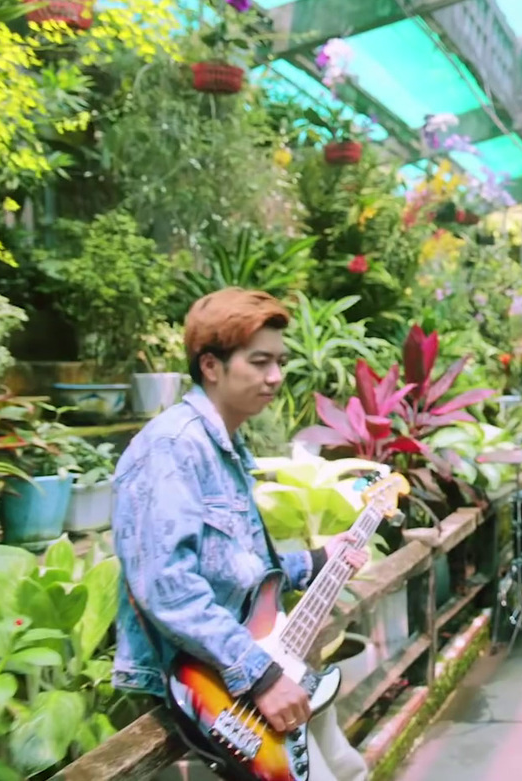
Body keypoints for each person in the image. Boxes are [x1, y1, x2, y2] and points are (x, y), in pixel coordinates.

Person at [111, 287, 370, 781]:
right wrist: (262, 676)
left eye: (279, 361)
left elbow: (235, 565)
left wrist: (316, 561)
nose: (275, 377)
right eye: (259, 362)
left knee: (347, 768)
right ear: (211, 366)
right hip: (224, 678)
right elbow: (166, 587)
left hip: (262, 657)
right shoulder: (170, 448)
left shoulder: (224, 445)